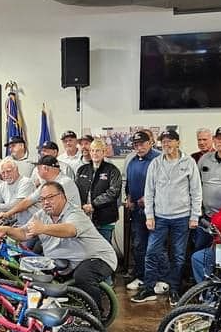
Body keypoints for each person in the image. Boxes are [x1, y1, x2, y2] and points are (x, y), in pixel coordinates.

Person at [0, 181, 117, 309]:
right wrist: (6, 229)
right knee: (32, 272)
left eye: (50, 197)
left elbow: (70, 230)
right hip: (69, 261)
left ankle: (96, 316)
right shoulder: (41, 215)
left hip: (98, 258)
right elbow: (23, 233)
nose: (46, 202)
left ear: (62, 196)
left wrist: (43, 228)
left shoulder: (74, 213)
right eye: (42, 199)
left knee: (83, 276)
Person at [138, 130, 202, 304]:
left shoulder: (188, 163)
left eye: (169, 141)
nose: (166, 144)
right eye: (163, 142)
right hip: (159, 217)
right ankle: (148, 288)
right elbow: (149, 191)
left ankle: (174, 289)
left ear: (178, 143)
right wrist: (149, 215)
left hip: (182, 217)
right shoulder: (156, 163)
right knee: (151, 252)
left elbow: (196, 191)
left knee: (178, 255)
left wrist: (194, 215)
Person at [123, 129, 159, 293]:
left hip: (156, 211)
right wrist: (129, 198)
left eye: (142, 143)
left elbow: (164, 184)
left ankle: (157, 278)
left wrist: (149, 198)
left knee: (156, 247)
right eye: (136, 144)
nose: (139, 147)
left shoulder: (158, 158)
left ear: (150, 142)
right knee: (138, 245)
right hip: (137, 211)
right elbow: (129, 183)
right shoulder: (132, 161)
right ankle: (141, 276)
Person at [76, 139, 122, 243]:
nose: (94, 153)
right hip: (85, 218)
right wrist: (83, 205)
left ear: (104, 152)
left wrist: (93, 205)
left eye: (97, 150)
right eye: (92, 150)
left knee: (104, 250)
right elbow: (76, 191)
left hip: (105, 219)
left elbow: (113, 192)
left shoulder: (112, 170)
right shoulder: (82, 169)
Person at [4, 155, 81, 218]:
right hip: (57, 222)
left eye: (38, 169)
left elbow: (53, 209)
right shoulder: (47, 183)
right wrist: (8, 213)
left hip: (70, 223)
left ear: (45, 169)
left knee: (32, 209)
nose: (37, 172)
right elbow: (28, 200)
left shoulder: (64, 182)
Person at [0, 159, 35, 225]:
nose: (6, 175)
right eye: (3, 173)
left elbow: (16, 205)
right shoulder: (3, 185)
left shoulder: (26, 182)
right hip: (13, 225)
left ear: (16, 170)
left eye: (8, 171)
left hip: (29, 224)